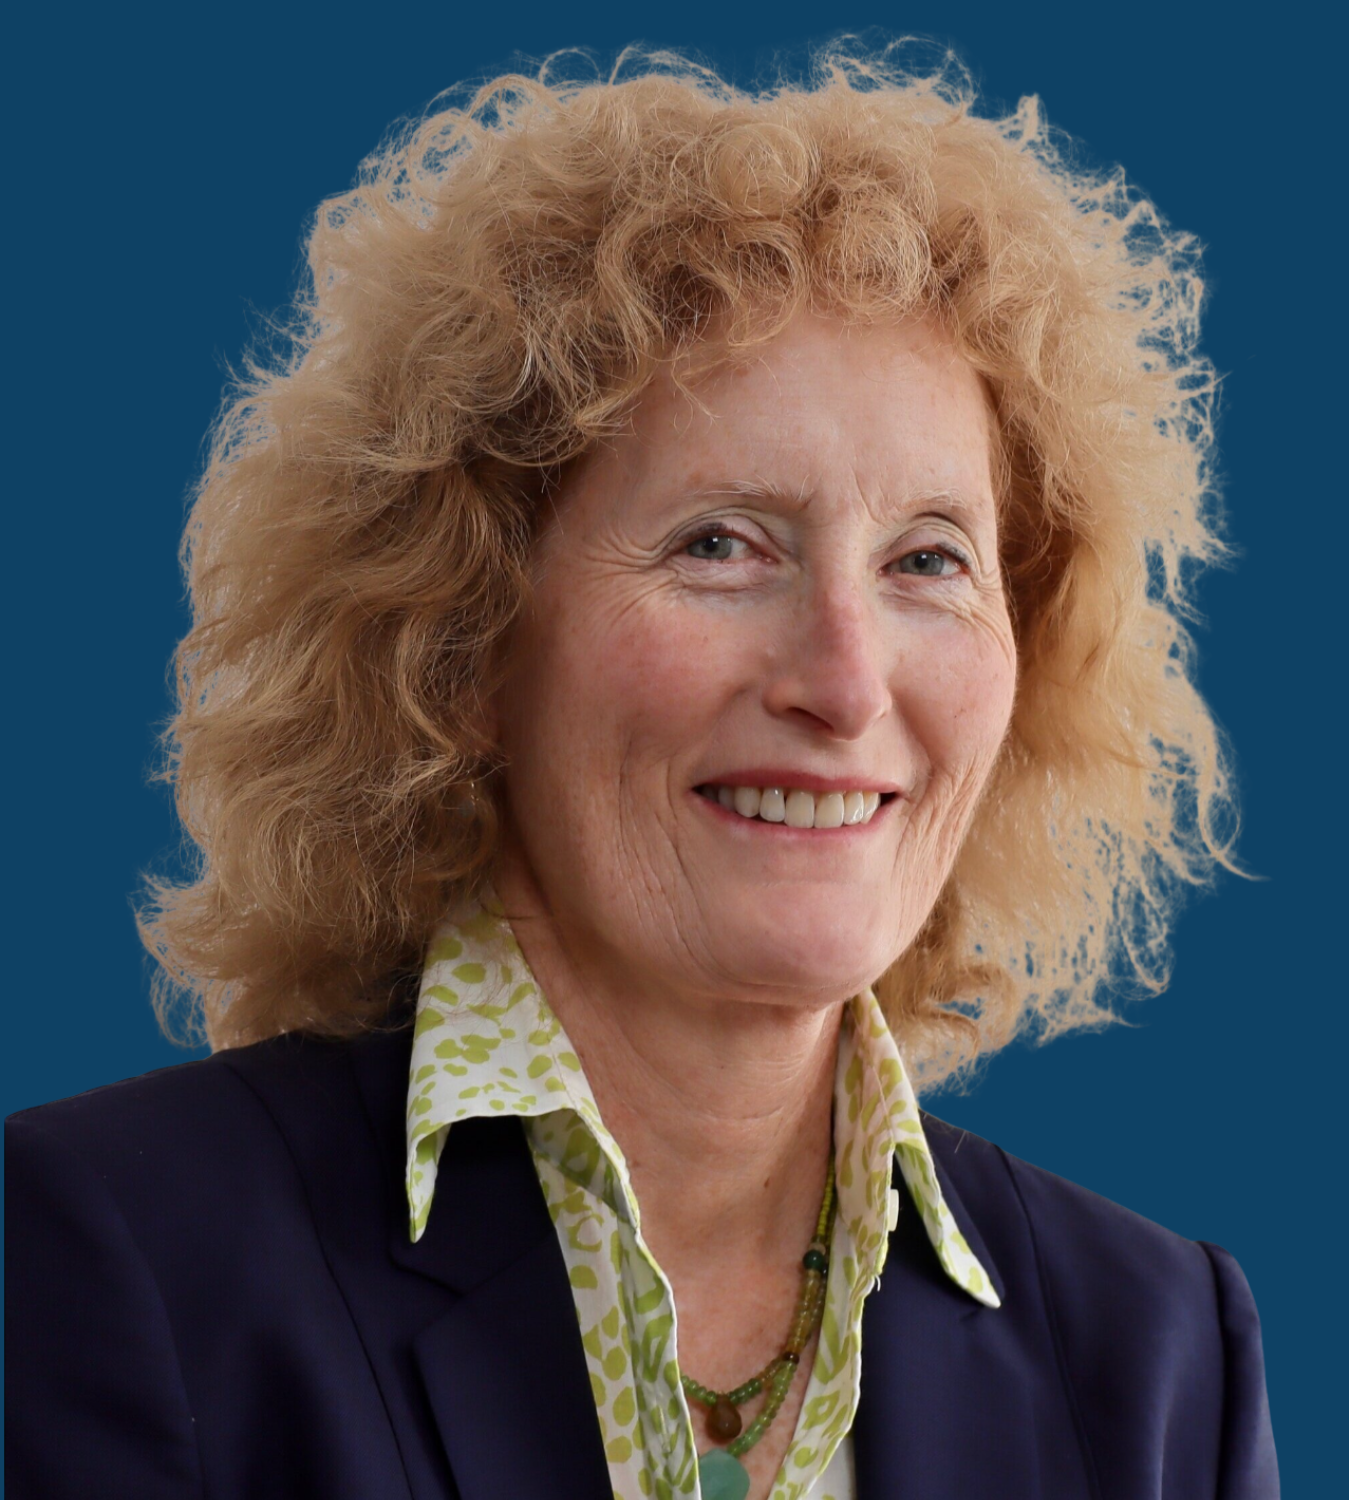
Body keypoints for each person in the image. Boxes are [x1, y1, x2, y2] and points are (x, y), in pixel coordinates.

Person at [4, 42, 1278, 1500]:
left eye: (930, 560)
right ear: (464, 643)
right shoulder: (112, 1260)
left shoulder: (1158, 1352)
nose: (847, 680)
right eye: (720, 545)